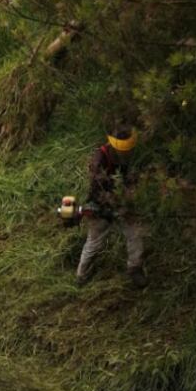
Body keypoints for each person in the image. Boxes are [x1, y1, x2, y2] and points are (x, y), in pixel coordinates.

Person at [76, 123, 145, 287]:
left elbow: (129, 181)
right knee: (94, 243)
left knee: (135, 233)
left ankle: (135, 269)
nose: (126, 154)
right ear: (115, 147)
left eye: (128, 152)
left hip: (121, 202)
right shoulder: (99, 159)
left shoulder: (128, 158)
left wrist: (130, 198)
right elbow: (96, 188)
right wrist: (106, 208)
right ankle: (81, 275)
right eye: (123, 152)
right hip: (100, 204)